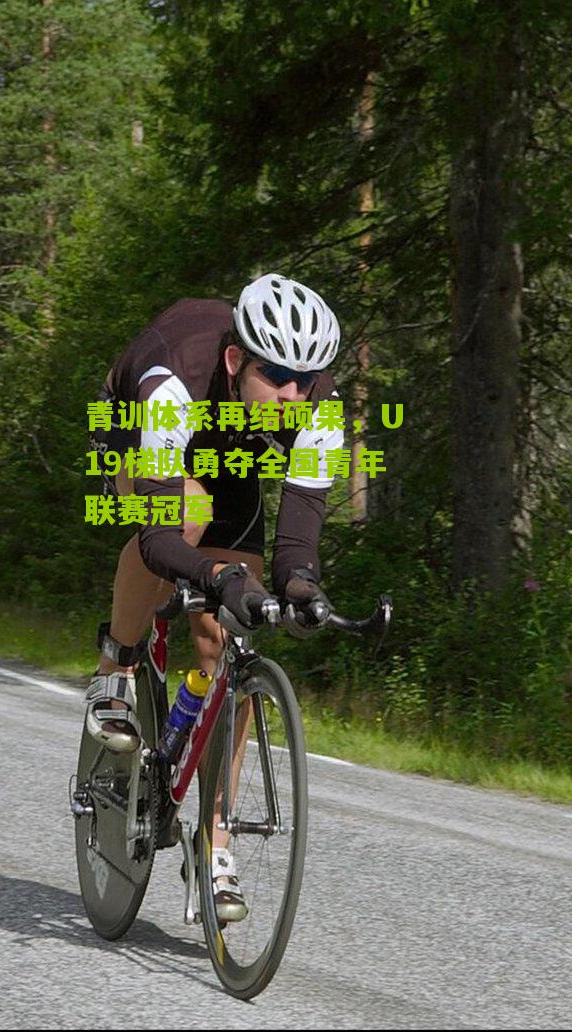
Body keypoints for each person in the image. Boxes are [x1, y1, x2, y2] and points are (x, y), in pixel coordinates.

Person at [86, 272, 341, 922]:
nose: (293, 394)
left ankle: (214, 839)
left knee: (222, 636)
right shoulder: (173, 381)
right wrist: (214, 575)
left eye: (305, 381)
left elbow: (296, 546)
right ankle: (115, 669)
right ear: (236, 361)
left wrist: (301, 589)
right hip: (137, 427)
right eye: (276, 375)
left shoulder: (315, 406)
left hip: (231, 450)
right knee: (187, 516)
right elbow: (162, 536)